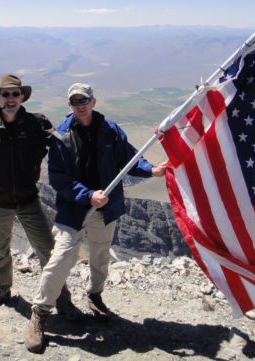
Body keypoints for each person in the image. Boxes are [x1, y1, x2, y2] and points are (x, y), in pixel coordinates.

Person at [24, 83, 167, 352]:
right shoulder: (61, 137)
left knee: (100, 255)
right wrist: (88, 195)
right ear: (69, 105)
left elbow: (130, 158)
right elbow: (58, 178)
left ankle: (95, 296)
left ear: (93, 101)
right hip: (74, 209)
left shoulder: (110, 129)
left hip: (106, 208)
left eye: (84, 100)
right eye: (75, 101)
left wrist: (152, 170)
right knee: (61, 258)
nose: (80, 105)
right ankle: (40, 313)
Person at [0, 74, 74, 314]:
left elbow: (60, 146)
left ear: (22, 97)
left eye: (15, 94)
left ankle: (62, 300)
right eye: (5, 94)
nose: (10, 99)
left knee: (47, 251)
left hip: (29, 199)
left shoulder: (35, 124)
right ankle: (1, 291)